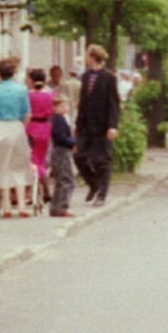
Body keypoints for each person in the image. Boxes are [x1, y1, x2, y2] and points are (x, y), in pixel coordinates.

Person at [0, 58, 36, 217]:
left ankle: (6, 205)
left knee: (1, 165)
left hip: (0, 127)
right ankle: (21, 205)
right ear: (13, 73)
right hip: (16, 126)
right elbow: (27, 114)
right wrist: (21, 126)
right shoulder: (21, 90)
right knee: (19, 164)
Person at [74, 45, 121, 203]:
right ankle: (93, 184)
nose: (86, 58)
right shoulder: (86, 77)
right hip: (85, 125)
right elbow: (83, 102)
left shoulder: (109, 78)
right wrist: (78, 124)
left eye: (87, 55)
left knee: (101, 160)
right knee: (79, 156)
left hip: (102, 125)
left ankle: (102, 193)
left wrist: (112, 125)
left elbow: (114, 103)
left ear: (93, 57)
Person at [25, 67, 55, 199]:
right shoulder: (50, 94)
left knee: (31, 159)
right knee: (41, 159)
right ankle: (46, 189)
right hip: (45, 127)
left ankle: (29, 191)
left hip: (31, 126)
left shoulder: (28, 95)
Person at [47, 94, 78, 217]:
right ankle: (62, 206)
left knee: (60, 180)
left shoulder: (59, 119)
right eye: (62, 106)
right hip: (61, 151)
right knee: (66, 179)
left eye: (66, 106)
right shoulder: (58, 120)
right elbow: (61, 138)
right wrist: (74, 142)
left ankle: (55, 206)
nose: (65, 108)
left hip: (61, 150)